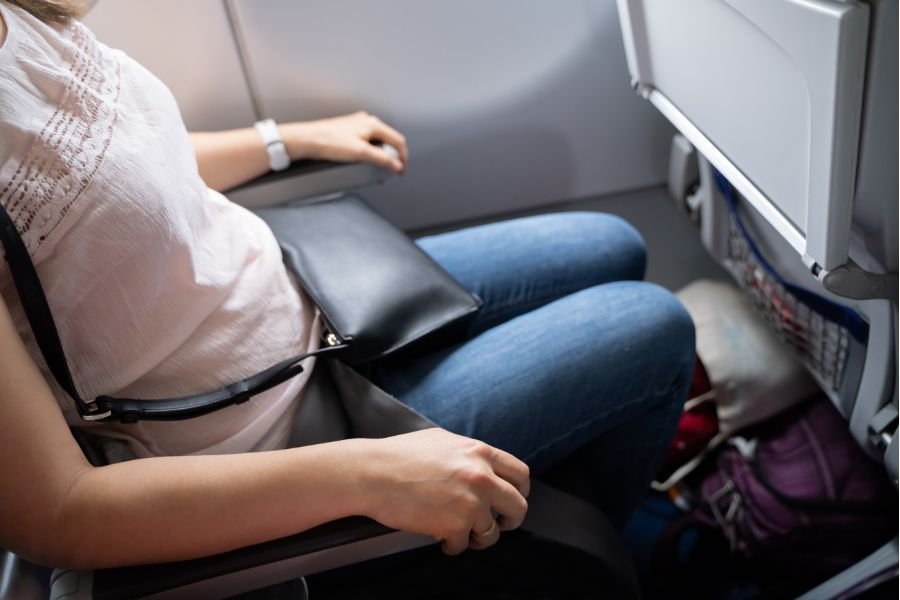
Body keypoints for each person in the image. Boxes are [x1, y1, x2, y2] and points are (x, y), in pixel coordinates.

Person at [0, 0, 695, 573]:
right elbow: (59, 513)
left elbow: (106, 172)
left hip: (309, 299)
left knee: (611, 243)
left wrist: (288, 139)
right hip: (273, 437)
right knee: (652, 324)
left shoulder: (23, 21)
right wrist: (370, 475)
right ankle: (582, 558)